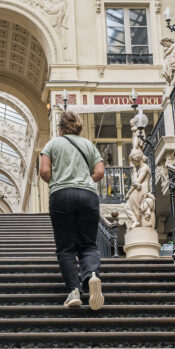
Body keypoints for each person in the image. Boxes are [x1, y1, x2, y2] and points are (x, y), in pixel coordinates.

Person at [40, 111, 105, 310]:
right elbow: (100, 171)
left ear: (60, 128)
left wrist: (58, 181)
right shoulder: (88, 145)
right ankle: (92, 275)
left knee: (66, 247)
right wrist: (85, 181)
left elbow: (44, 171)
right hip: (88, 196)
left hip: (61, 196)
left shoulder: (52, 144)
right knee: (88, 245)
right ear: (79, 127)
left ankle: (74, 291)